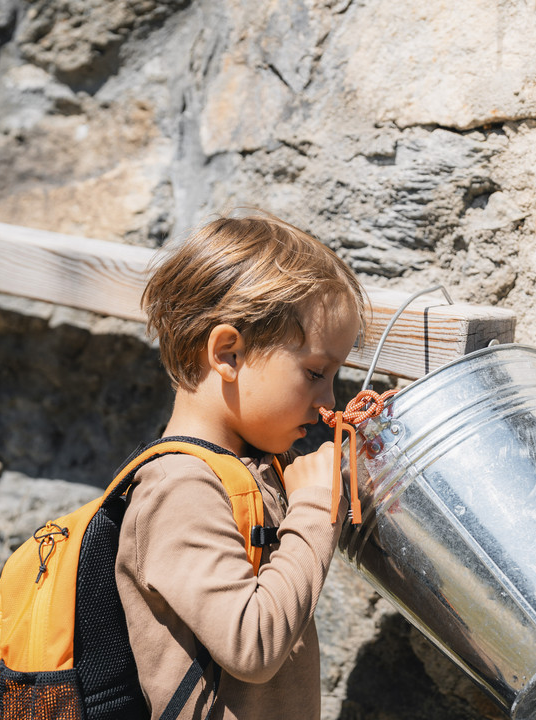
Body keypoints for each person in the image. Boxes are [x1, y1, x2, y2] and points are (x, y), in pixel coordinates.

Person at [115, 211, 366, 720]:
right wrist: (316, 509)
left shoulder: (252, 468)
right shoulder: (179, 488)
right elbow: (251, 646)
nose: (328, 400)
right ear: (227, 353)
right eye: (316, 372)